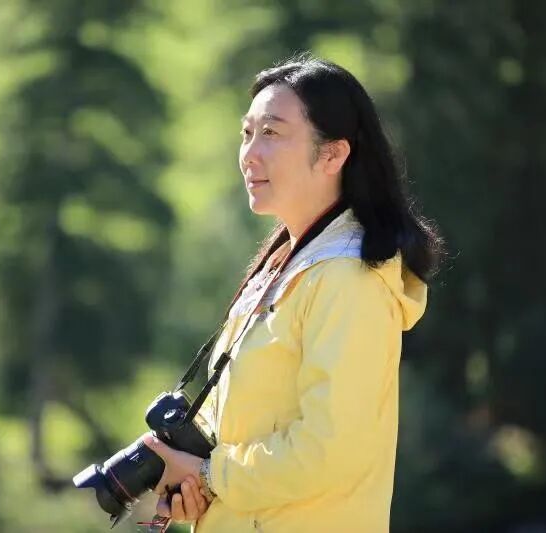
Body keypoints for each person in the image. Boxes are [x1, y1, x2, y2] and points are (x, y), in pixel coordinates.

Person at [142, 53, 443, 532]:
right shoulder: (287, 266)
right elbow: (250, 428)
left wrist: (211, 475)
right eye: (247, 133)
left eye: (272, 133)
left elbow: (328, 449)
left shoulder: (349, 279)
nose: (249, 153)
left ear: (333, 155)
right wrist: (198, 484)